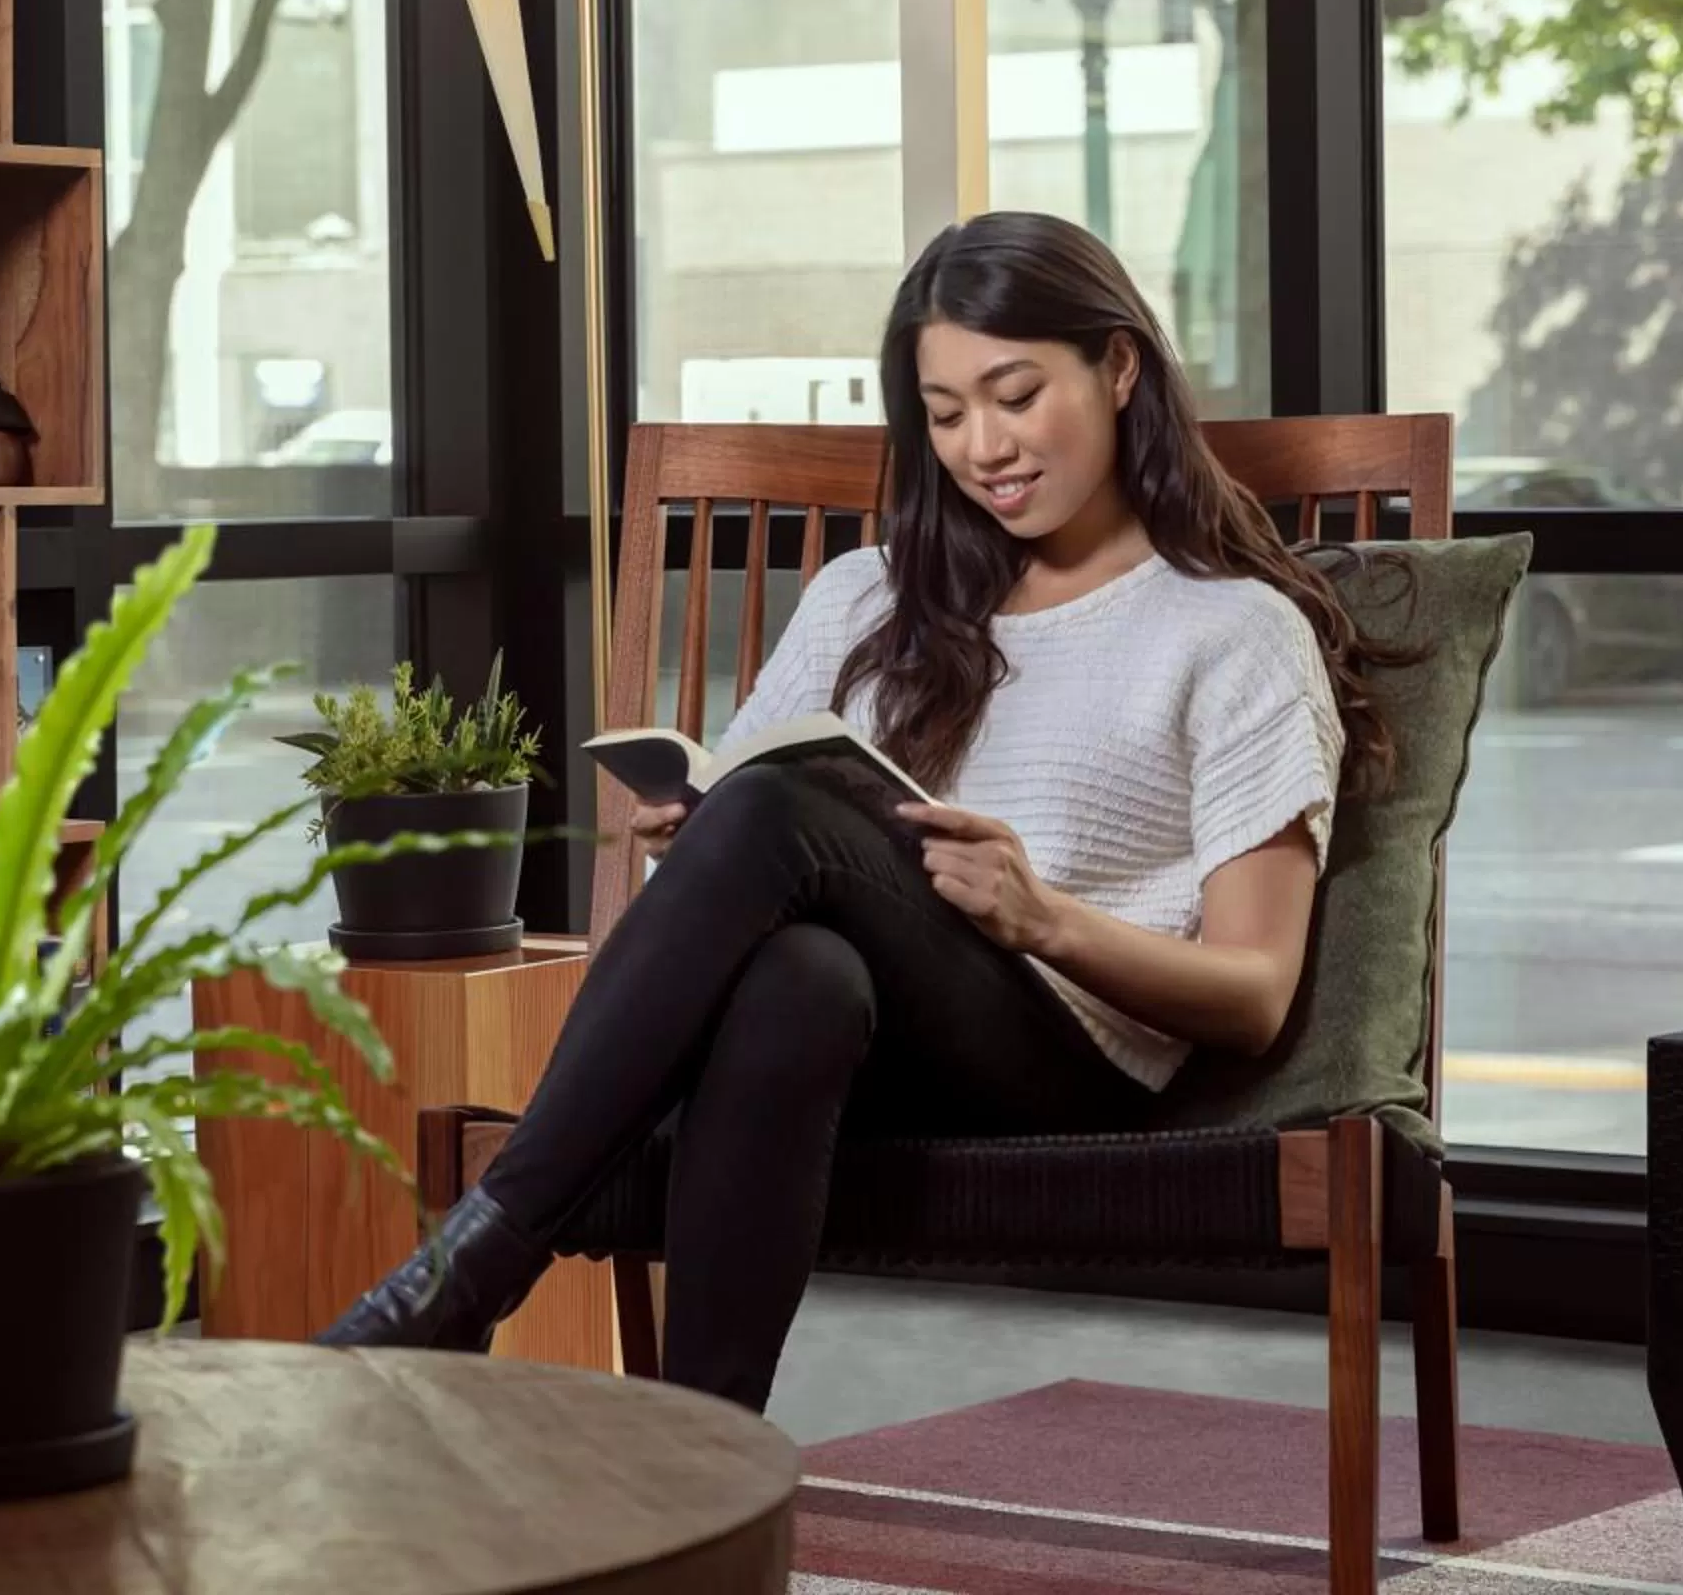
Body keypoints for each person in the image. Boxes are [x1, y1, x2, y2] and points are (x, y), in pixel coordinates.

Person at [318, 211, 1401, 1413]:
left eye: (1016, 393)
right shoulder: (865, 596)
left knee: (779, 817)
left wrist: (1041, 916)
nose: (985, 445)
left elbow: (1252, 993)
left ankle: (472, 1266)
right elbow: (765, 815)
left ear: (1120, 365)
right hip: (856, 1034)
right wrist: (705, 829)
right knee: (798, 973)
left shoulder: (1231, 629)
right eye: (945, 415)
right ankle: (703, 1456)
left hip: (1069, 1057)